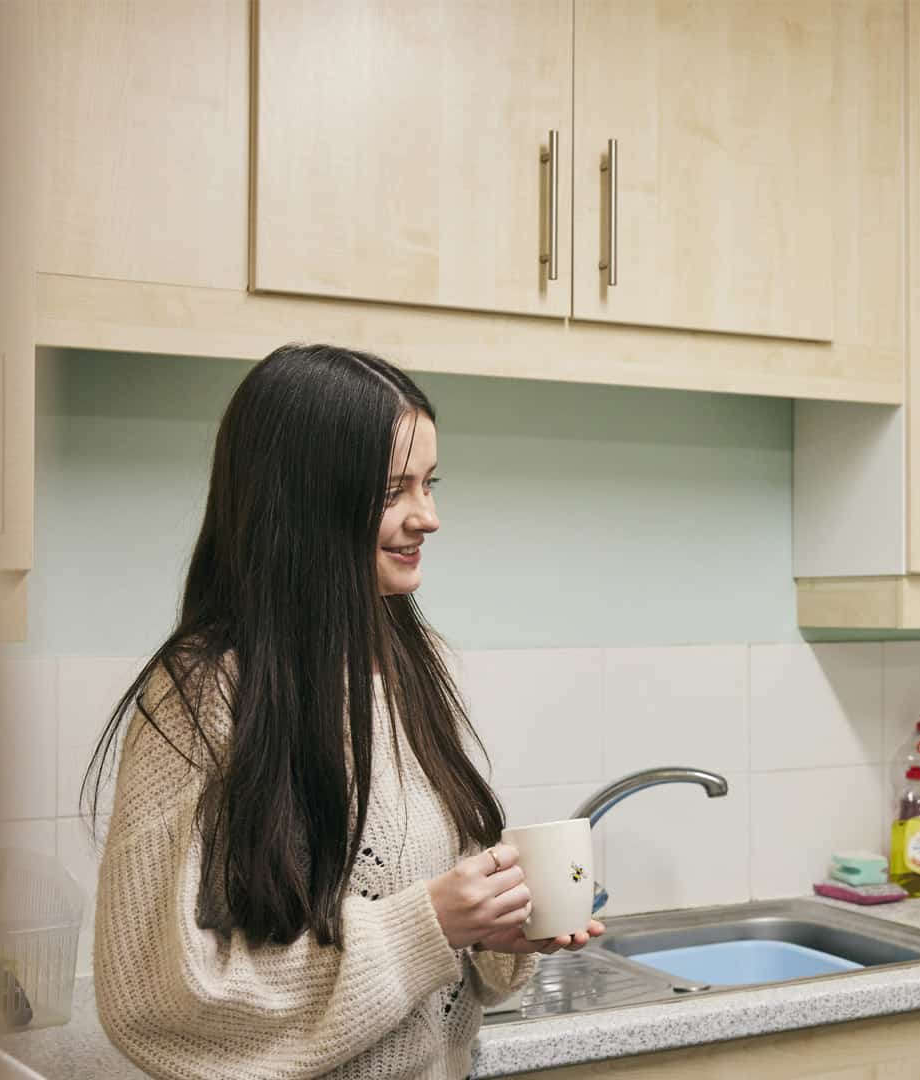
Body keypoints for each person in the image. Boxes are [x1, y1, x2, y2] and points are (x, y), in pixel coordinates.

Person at [81, 344, 601, 1079]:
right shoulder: (202, 695)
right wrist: (428, 926)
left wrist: (495, 933)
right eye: (396, 491)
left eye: (430, 483)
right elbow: (157, 1001)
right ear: (304, 503)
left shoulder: (408, 666)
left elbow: (427, 930)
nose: (430, 517)